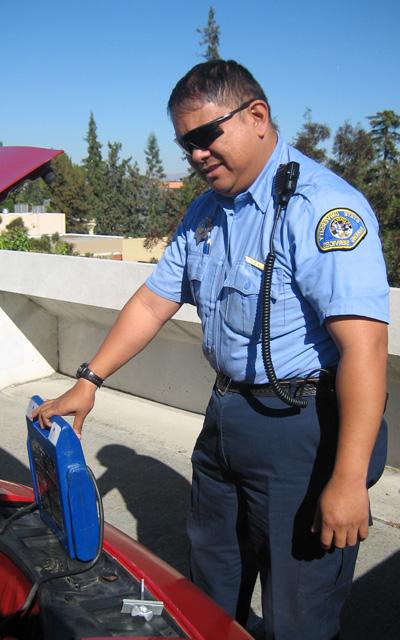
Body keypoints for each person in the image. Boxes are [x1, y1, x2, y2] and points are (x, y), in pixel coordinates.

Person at [33, 60, 389, 640]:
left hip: (305, 428)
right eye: (185, 144)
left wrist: (347, 479)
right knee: (208, 587)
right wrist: (87, 381)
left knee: (298, 613)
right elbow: (153, 303)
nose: (196, 155)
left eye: (205, 136)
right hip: (226, 418)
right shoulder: (206, 212)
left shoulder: (321, 209)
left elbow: (366, 348)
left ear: (256, 116)